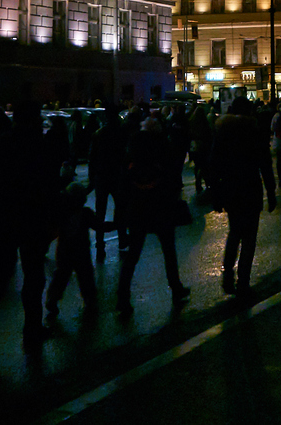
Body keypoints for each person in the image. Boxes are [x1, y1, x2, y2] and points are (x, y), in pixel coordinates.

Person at [0, 102, 61, 345]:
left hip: (3, 219)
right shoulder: (42, 147)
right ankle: (32, 328)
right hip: (32, 220)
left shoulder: (0, 144)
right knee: (33, 278)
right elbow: (50, 187)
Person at [115, 115, 191, 315]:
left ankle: (122, 296)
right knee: (168, 249)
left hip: (138, 206)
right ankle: (175, 287)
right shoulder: (162, 147)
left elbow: (123, 180)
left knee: (133, 254)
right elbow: (172, 175)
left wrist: (123, 207)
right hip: (161, 206)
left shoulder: (132, 150)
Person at [209, 97, 277, 297]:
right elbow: (265, 163)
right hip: (250, 188)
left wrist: (216, 193)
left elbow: (214, 164)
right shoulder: (254, 132)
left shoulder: (223, 131)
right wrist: (271, 191)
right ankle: (243, 281)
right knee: (249, 238)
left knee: (234, 233)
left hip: (230, 188)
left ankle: (228, 274)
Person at [44, 181, 99, 323]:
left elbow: (53, 230)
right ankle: (90, 301)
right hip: (82, 252)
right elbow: (99, 226)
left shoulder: (62, 214)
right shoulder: (86, 213)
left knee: (61, 277)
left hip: (64, 251)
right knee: (86, 276)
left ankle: (52, 299)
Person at [89, 107, 128, 262]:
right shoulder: (121, 134)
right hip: (117, 176)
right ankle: (122, 238)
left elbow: (92, 158)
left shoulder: (99, 134)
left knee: (100, 211)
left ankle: (100, 245)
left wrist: (92, 179)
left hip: (102, 176)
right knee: (120, 208)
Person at [188, 104, 215, 193]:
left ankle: (198, 182)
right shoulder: (204, 122)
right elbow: (209, 135)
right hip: (203, 147)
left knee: (197, 166)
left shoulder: (192, 121)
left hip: (194, 147)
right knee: (204, 166)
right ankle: (207, 183)